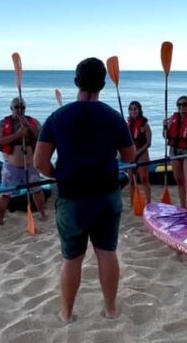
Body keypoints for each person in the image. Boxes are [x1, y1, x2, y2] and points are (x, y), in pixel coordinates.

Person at [34, 57, 135, 324]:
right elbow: (129, 154)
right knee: (107, 252)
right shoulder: (113, 117)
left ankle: (66, 314)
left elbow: (39, 163)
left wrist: (59, 174)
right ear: (103, 84)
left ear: (76, 82)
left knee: (72, 258)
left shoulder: (57, 117)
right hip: (106, 195)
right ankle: (110, 309)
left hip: (72, 197)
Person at [0, 97, 47, 225]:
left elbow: (42, 137)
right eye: (17, 107)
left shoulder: (33, 122)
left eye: (22, 107)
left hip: (30, 165)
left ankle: (43, 214)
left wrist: (28, 126)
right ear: (11, 108)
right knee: (5, 193)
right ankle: (0, 219)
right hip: (11, 167)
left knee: (37, 190)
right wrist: (18, 135)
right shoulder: (3, 124)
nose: (20, 109)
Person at [127, 100, 152, 204]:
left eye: (135, 109)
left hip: (142, 154)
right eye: (131, 109)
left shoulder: (145, 125)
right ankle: (132, 203)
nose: (133, 111)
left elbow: (148, 143)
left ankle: (148, 203)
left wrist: (137, 153)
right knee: (131, 181)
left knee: (144, 179)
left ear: (140, 110)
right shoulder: (127, 125)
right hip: (130, 155)